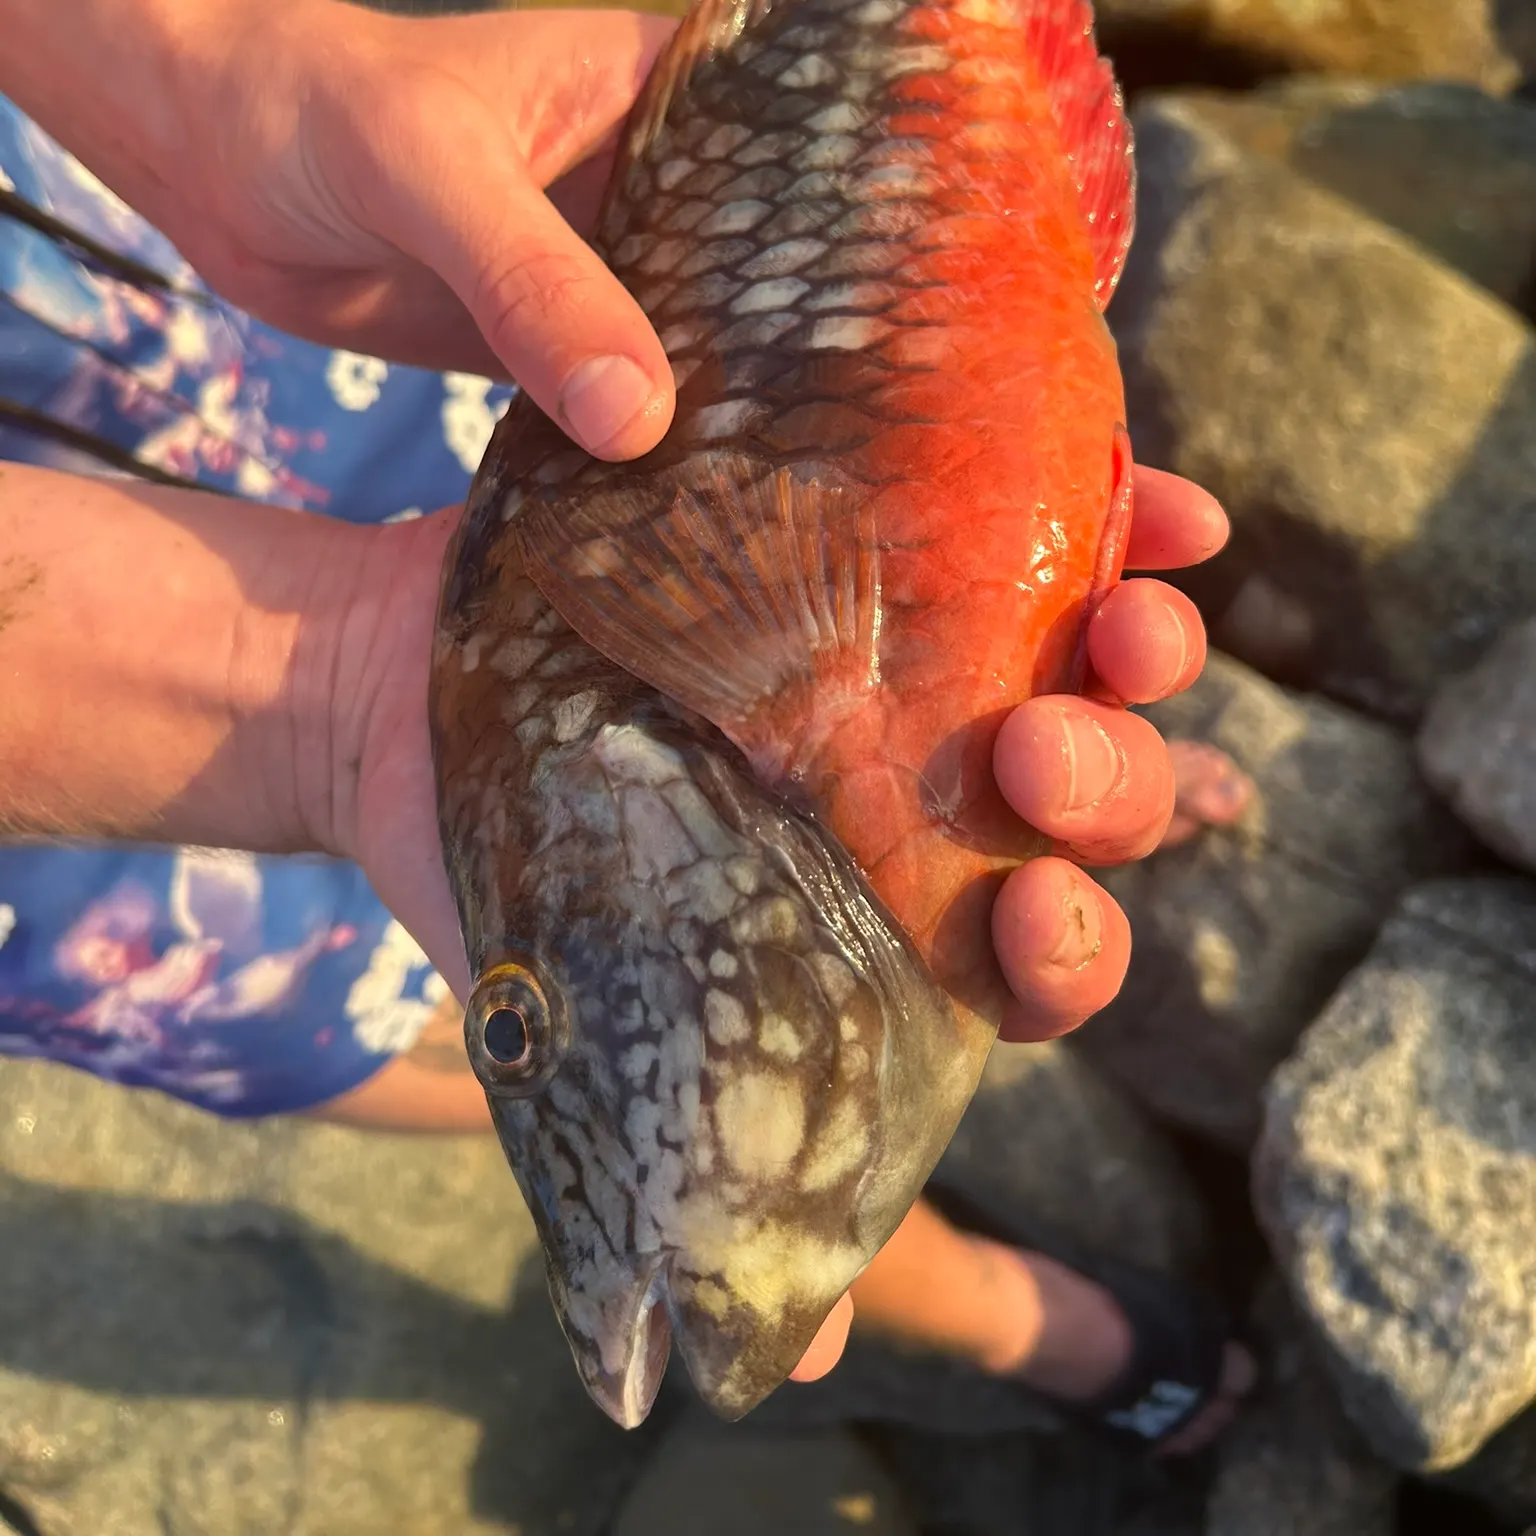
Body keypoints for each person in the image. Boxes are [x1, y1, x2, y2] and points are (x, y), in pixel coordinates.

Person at [0, 0, 1254, 1457]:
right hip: (148, 782)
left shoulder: (701, 730)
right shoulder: (606, 781)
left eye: (516, 1022)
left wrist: (185, 66)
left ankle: (1028, 1320)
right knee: (361, 1031)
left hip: (349, 329)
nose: (522, 1023)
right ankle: (1004, 1312)